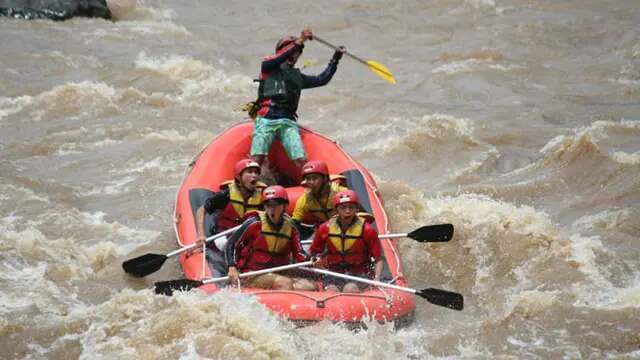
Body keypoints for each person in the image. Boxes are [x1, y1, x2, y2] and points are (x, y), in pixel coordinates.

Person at [250, 27, 346, 169]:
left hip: (288, 122)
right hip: (266, 119)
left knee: (301, 159)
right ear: (282, 52)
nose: (294, 56)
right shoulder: (268, 66)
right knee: (256, 160)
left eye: (297, 54)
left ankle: (313, 185)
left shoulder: (297, 77)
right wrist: (300, 41)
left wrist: (335, 59)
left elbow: (322, 79)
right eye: (291, 51)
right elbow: (281, 57)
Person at [224, 185, 317, 290]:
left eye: (276, 205)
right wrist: (232, 267)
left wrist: (312, 260)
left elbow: (299, 254)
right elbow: (231, 244)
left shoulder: (291, 227)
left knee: (308, 287)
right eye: (268, 205)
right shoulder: (254, 223)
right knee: (284, 283)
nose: (272, 210)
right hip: (252, 273)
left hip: (278, 271)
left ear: (285, 206)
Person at [192, 159, 265, 276]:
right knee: (224, 245)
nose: (254, 175)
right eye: (250, 172)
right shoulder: (226, 195)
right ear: (239, 177)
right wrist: (201, 235)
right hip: (223, 236)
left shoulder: (262, 196)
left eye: (256, 172)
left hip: (246, 236)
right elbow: (201, 211)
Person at [309, 190, 383, 293]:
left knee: (350, 288)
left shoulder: (367, 230)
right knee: (331, 290)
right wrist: (316, 259)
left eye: (351, 207)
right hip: (334, 273)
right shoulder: (325, 228)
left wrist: (377, 278)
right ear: (336, 210)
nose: (347, 211)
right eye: (343, 208)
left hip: (359, 274)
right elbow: (314, 252)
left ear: (357, 209)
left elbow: (378, 259)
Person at [292, 160, 347, 235]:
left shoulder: (341, 192)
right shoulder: (305, 199)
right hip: (324, 230)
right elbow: (295, 222)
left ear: (325, 179)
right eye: (308, 179)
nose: (311, 182)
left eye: (315, 178)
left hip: (345, 228)